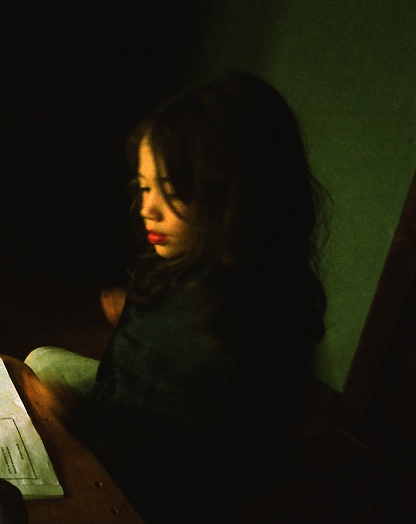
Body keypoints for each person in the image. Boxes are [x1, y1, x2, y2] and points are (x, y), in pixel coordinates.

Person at [25, 71, 327, 520]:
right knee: (42, 360)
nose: (147, 208)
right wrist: (139, 311)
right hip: (127, 403)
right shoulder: (191, 258)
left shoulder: (237, 330)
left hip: (153, 478)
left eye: (171, 191)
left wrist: (77, 420)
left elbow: (172, 458)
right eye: (145, 187)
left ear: (234, 196)